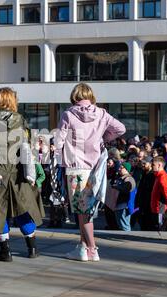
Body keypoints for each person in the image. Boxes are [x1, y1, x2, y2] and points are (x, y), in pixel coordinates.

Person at [55, 83, 126, 262]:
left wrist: (55, 159)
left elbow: (59, 140)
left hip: (76, 166)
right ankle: (82, 247)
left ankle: (92, 249)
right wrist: (104, 138)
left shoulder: (68, 114)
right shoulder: (101, 113)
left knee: (82, 210)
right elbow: (121, 129)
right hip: (95, 166)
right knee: (85, 209)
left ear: (74, 96)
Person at [0, 87, 45, 262]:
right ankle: (32, 248)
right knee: (22, 207)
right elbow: (27, 144)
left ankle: (5, 251)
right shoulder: (21, 121)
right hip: (17, 169)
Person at [111, 162, 136, 231]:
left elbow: (126, 189)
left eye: (122, 168)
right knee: (121, 225)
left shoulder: (129, 179)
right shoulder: (121, 178)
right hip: (119, 205)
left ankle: (128, 239)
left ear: (127, 170)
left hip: (124, 206)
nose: (119, 169)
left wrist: (116, 186)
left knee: (125, 226)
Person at [150, 156, 167, 231]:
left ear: (159, 165)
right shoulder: (158, 176)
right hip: (158, 207)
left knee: (160, 229)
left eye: (153, 165)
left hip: (160, 208)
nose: (151, 166)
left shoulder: (162, 177)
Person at [135, 156, 155, 231]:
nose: (143, 165)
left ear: (150, 164)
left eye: (144, 163)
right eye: (142, 163)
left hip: (148, 205)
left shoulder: (152, 175)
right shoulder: (143, 173)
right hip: (142, 204)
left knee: (148, 225)